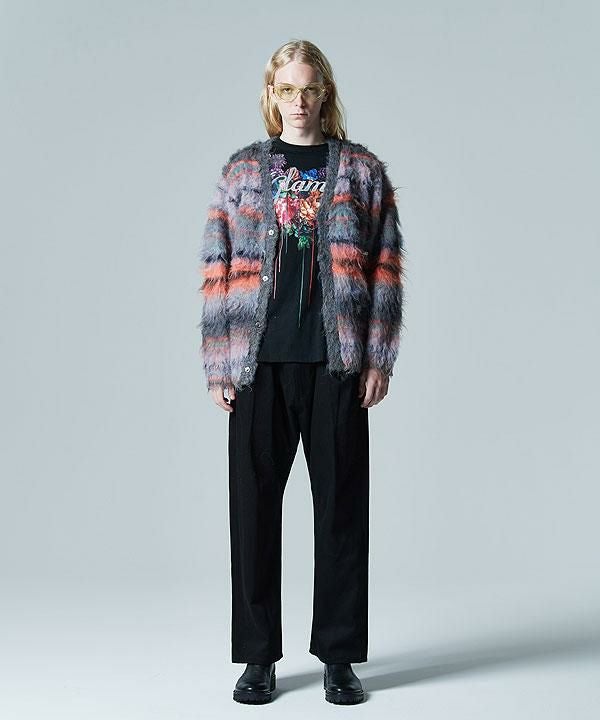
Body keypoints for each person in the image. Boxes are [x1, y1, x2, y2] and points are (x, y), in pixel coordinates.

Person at [198, 39, 405, 705]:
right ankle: (258, 657)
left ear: (325, 93)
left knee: (341, 511)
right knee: (253, 512)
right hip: (258, 365)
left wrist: (378, 356)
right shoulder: (241, 172)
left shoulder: (362, 171)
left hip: (336, 364)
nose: (298, 101)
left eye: (308, 88)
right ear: (272, 95)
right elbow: (216, 266)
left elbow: (385, 266)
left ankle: (339, 658)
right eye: (286, 89)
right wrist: (219, 361)